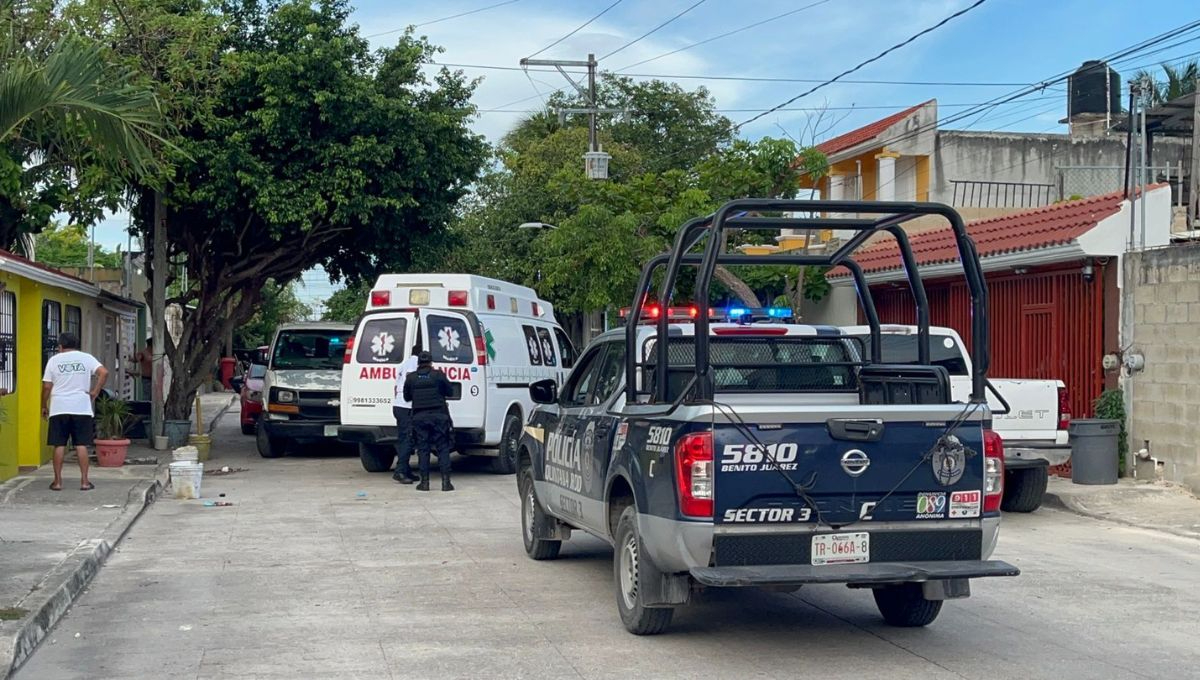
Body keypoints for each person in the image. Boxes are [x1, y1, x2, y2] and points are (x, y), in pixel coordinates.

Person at [41, 333, 108, 491]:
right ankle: (84, 482)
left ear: (60, 346)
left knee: (59, 445)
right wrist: (95, 391)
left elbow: (46, 387)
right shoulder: (86, 358)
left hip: (59, 407)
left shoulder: (54, 360)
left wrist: (43, 405)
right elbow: (104, 372)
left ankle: (57, 482)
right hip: (81, 407)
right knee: (81, 445)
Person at [402, 351, 454, 492]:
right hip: (439, 416)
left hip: (419, 417)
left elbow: (406, 397)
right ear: (431, 363)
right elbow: (450, 392)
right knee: (443, 448)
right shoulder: (438, 375)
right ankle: (446, 483)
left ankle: (424, 483)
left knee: (423, 450)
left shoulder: (411, 378)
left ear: (418, 363)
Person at [391, 344, 421, 484]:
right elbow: (410, 379)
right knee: (407, 440)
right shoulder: (414, 362)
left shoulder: (405, 363)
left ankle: (406, 469)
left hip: (399, 405)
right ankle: (400, 471)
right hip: (406, 406)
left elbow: (396, 386)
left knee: (406, 439)